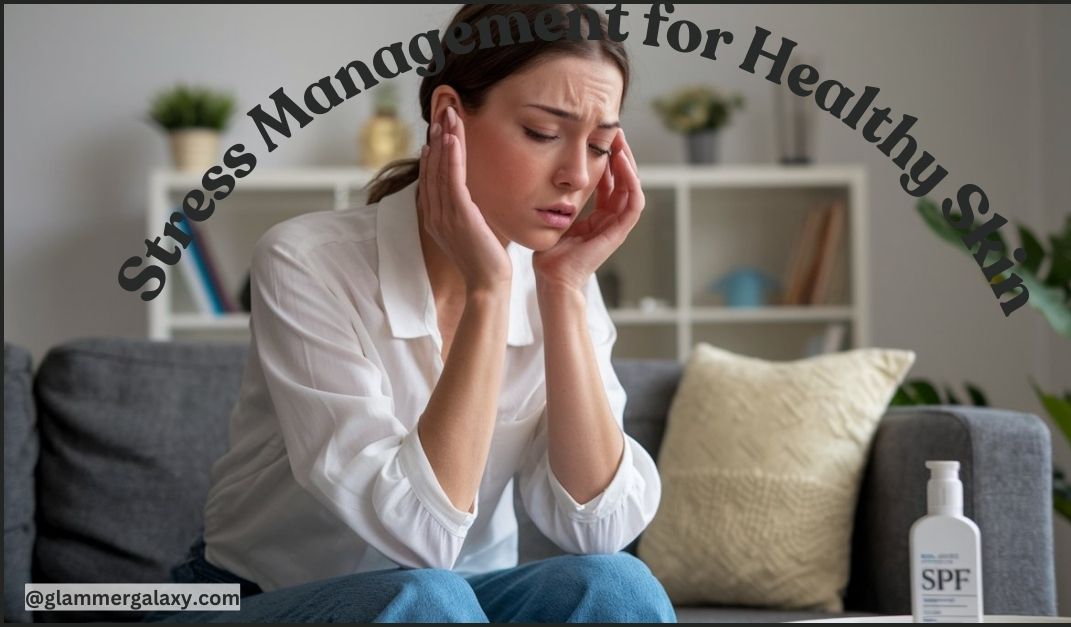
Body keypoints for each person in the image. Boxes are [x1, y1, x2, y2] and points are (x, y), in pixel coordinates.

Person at [143, 4, 675, 623]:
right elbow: (419, 537)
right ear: (449, 116)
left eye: (602, 145)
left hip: (461, 601)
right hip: (258, 598)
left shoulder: (563, 281)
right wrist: (488, 292)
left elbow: (597, 531)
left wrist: (564, 290)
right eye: (542, 133)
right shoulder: (307, 262)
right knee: (427, 596)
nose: (577, 176)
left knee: (617, 583)